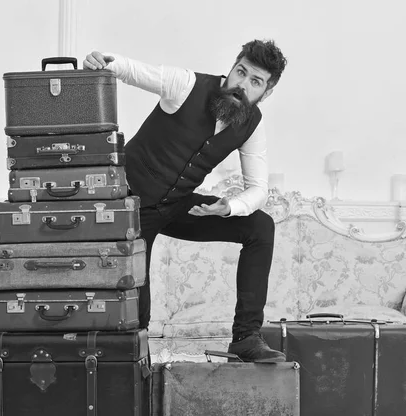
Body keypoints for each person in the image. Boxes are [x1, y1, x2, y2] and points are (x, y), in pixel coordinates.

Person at [83, 40, 287, 362]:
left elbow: (258, 189)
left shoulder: (252, 124)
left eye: (255, 82)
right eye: (241, 72)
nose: (242, 85)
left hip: (179, 206)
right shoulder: (187, 85)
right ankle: (136, 377)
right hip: (131, 208)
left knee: (260, 226)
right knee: (140, 313)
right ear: (233, 66)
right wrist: (104, 62)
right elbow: (136, 71)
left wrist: (228, 207)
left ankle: (246, 337)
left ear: (266, 92)